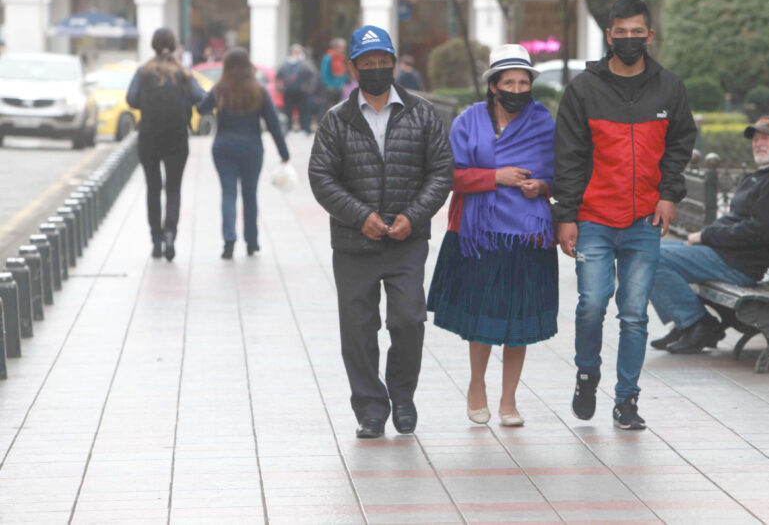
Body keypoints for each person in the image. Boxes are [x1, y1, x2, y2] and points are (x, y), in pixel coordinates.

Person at [553, 0, 698, 430]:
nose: (630, 39)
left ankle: (627, 400)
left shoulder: (669, 87)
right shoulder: (583, 88)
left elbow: (679, 144)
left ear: (650, 36)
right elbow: (569, 156)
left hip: (645, 221)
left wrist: (669, 194)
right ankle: (586, 372)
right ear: (609, 35)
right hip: (594, 217)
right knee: (592, 305)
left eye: (639, 32)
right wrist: (566, 215)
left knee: (634, 314)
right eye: (622, 32)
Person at [308, 24, 453, 439]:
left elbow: (441, 170)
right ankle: (370, 408)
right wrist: (360, 216)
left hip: (407, 240)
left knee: (409, 320)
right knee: (357, 329)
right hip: (355, 244)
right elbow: (321, 177)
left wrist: (415, 215)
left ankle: (402, 397)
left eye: (382, 62)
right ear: (353, 68)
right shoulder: (336, 120)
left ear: (394, 63)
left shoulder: (422, 112)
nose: (376, 68)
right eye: (367, 63)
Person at [427, 44, 558, 427]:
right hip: (478, 233)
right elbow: (448, 175)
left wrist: (542, 187)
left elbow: (559, 174)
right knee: (483, 317)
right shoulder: (469, 121)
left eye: (523, 82)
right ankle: (477, 387)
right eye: (509, 82)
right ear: (494, 85)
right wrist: (493, 177)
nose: (517, 89)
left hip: (527, 234)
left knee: (518, 320)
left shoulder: (543, 122)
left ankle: (509, 400)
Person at [649, 116, 769, 354]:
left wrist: (706, 236)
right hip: (722, 254)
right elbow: (737, 221)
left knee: (650, 258)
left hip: (738, 264)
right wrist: (706, 235)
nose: (758, 143)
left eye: (766, 137)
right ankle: (686, 324)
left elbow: (759, 232)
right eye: (755, 139)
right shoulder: (764, 174)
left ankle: (698, 324)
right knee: (642, 252)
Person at [197, 48, 290, 259]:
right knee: (250, 196)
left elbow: (202, 108)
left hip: (223, 147)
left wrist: (200, 93)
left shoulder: (220, 89)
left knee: (228, 194)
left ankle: (229, 241)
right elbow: (274, 125)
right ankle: (252, 242)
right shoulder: (259, 90)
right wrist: (283, 153)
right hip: (251, 149)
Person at [127, 28, 207, 261]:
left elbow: (131, 99)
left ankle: (155, 240)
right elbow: (201, 97)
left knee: (153, 188)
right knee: (173, 188)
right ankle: (170, 233)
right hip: (177, 137)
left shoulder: (143, 72)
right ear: (174, 47)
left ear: (153, 46)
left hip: (148, 137)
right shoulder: (183, 73)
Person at [277, 44, 316, 134]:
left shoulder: (305, 63)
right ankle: (288, 129)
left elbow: (313, 74)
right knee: (288, 111)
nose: (296, 54)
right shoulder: (286, 63)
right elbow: (278, 75)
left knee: (304, 111)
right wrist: (279, 87)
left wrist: (309, 87)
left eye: (298, 52)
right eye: (295, 52)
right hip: (288, 91)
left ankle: (304, 129)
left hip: (302, 92)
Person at [319, 38, 349, 108]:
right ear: (337, 47)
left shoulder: (341, 58)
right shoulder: (328, 57)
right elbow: (324, 73)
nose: (344, 49)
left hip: (339, 88)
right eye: (343, 47)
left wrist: (343, 83)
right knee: (326, 109)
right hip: (330, 89)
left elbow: (342, 73)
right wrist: (328, 86)